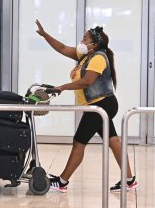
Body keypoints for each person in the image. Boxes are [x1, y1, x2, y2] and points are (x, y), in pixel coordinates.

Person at [35, 19, 138, 193]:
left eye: (84, 39)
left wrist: (62, 87)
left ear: (94, 44)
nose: (81, 41)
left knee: (78, 142)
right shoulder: (86, 56)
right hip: (99, 105)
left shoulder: (98, 57)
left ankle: (62, 182)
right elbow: (62, 48)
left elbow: (87, 81)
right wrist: (45, 35)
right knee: (114, 141)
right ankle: (129, 180)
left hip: (101, 105)